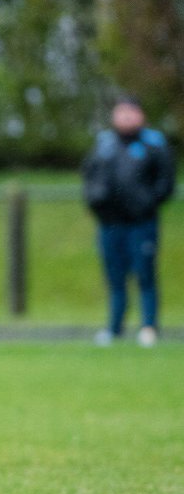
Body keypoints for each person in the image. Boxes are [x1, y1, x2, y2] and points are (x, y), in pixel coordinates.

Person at [83, 96, 176, 347]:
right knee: (115, 277)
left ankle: (148, 327)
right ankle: (114, 328)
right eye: (120, 112)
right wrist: (95, 200)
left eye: (130, 112)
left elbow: (166, 181)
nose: (125, 117)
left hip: (141, 222)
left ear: (140, 115)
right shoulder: (104, 145)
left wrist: (147, 203)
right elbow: (89, 176)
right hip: (110, 222)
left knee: (145, 274)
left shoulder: (153, 144)